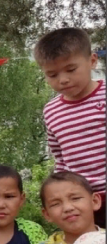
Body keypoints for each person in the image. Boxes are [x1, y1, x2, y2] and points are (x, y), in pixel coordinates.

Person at [35, 28, 105, 228]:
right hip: (81, 202)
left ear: (92, 61)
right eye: (52, 74)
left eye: (71, 69)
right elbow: (61, 160)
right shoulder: (51, 111)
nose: (63, 79)